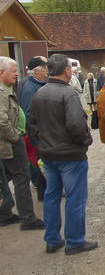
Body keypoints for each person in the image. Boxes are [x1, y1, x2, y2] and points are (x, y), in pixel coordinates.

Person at [30, 53, 97, 255]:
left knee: (51, 196)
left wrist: (42, 143)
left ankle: (52, 240)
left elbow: (32, 125)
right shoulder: (67, 94)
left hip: (49, 153)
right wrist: (85, 142)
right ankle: (75, 241)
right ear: (67, 70)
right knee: (75, 199)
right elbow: (77, 124)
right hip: (69, 155)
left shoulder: (40, 93)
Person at [0, 57, 45, 230]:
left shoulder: (7, 89)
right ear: (1, 72)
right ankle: (27, 218)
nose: (16, 74)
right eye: (13, 70)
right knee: (21, 178)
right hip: (11, 141)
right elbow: (2, 119)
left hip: (12, 140)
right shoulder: (2, 92)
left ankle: (6, 213)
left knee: (8, 177)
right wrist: (14, 136)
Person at [17, 57, 49, 202]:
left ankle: (44, 187)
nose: (47, 70)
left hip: (40, 132)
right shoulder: (30, 87)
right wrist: (36, 135)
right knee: (39, 161)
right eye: (45, 68)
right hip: (36, 134)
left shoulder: (38, 84)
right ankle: (43, 190)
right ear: (36, 71)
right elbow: (30, 113)